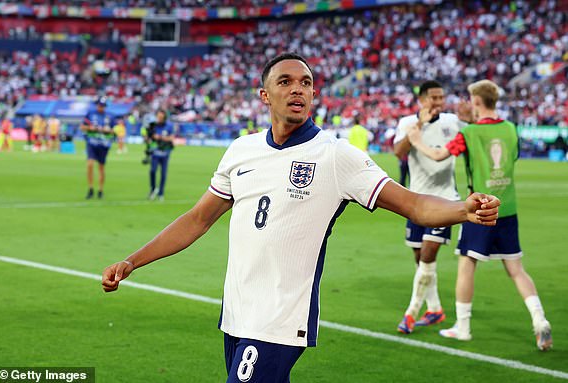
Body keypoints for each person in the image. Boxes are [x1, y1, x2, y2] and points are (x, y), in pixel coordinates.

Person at [102, 53, 500, 382]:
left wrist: (462, 210)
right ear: (264, 95)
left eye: (306, 82)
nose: (298, 88)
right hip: (237, 313)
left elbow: (413, 205)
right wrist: (133, 261)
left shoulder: (335, 156)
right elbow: (197, 220)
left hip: (280, 318)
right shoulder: (241, 150)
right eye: (286, 81)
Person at [408, 79, 552, 351]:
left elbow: (440, 155)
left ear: (476, 102)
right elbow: (514, 158)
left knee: (466, 265)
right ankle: (539, 320)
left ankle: (462, 328)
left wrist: (417, 141)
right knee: (516, 269)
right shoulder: (511, 129)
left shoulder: (469, 133)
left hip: (480, 208)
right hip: (508, 207)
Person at [392, 80, 470, 334]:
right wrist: (420, 125)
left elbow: (472, 137)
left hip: (445, 199)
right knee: (420, 258)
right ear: (422, 100)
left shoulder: (452, 121)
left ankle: (411, 313)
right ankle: (435, 308)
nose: (438, 102)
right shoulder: (407, 123)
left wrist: (470, 120)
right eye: (433, 98)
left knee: (427, 255)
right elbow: (398, 152)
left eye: (441, 97)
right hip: (416, 201)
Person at [81, 97, 115, 199]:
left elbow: (115, 130)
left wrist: (107, 130)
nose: (101, 107)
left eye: (103, 106)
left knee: (101, 167)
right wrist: (91, 128)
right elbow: (83, 127)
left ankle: (100, 190)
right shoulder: (90, 114)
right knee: (90, 164)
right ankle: (90, 188)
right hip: (92, 143)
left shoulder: (110, 116)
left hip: (104, 144)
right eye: (100, 105)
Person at [148, 109, 175, 201]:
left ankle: (161, 193)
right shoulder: (153, 125)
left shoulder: (169, 126)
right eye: (158, 117)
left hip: (165, 152)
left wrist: (160, 137)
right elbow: (149, 138)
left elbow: (171, 138)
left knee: (163, 174)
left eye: (161, 117)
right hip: (155, 152)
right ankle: (153, 189)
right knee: (152, 171)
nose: (159, 119)